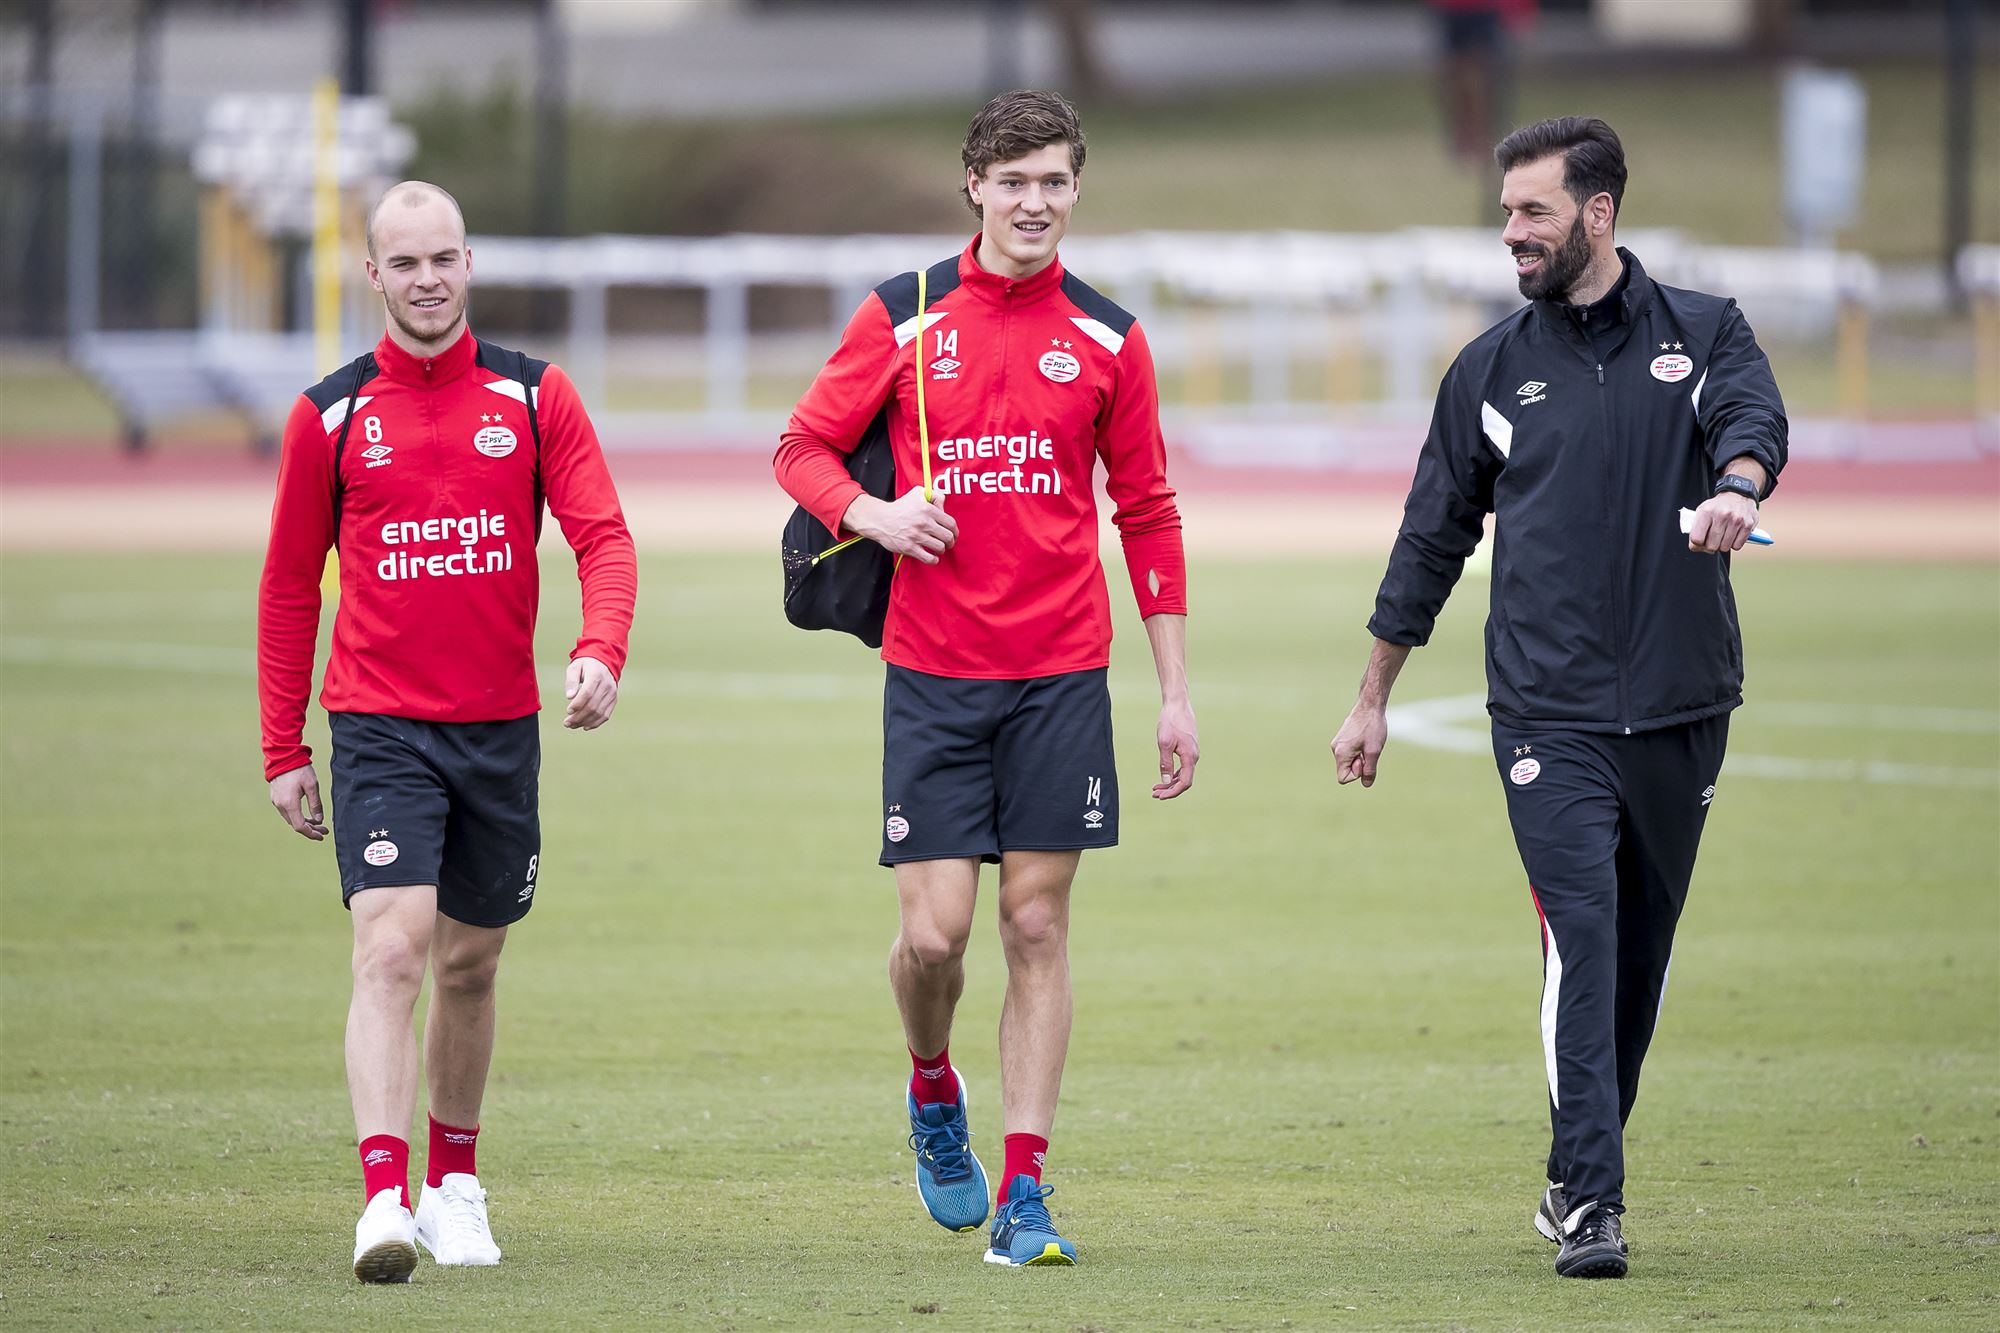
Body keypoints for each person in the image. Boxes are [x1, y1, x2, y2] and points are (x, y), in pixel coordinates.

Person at [1330, 117, 1786, 1280]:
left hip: (1684, 705)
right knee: (1579, 937)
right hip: (1545, 713)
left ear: (1596, 213)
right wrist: (1370, 695)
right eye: (1504, 214)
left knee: (1635, 959)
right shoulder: (1488, 371)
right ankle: (1591, 1201)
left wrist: (1736, 486)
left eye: (1530, 212)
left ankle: (1564, 1168)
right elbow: (1427, 539)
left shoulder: (1704, 330)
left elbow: (1751, 422)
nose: (1509, 234)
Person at [774, 90, 1198, 1268]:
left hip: (1062, 672)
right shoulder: (902, 317)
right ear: (973, 186)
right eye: (1012, 181)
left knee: (1036, 921)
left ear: (1075, 189)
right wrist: (872, 511)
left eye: (1054, 181)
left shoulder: (1109, 338)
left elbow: (1148, 512)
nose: (1033, 202)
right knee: (937, 942)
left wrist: (1170, 688)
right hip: (933, 673)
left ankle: (1024, 1191)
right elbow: (797, 446)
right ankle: (928, 1088)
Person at [257, 181, 636, 1283]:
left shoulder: (533, 397)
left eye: (445, 259)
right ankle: (383, 1194)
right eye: (405, 262)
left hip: (498, 727)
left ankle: (454, 1183)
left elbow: (603, 537)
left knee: (470, 964)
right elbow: (289, 587)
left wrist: (599, 648)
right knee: (391, 948)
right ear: (372, 275)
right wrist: (284, 745)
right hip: (378, 725)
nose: (427, 279)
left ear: (468, 264)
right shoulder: (328, 415)